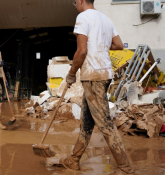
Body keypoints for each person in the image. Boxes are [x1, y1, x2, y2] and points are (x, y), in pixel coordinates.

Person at [63, 0, 134, 174]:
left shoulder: (83, 17)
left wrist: (72, 73)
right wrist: (99, 43)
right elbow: (118, 44)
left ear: (80, 1)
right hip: (105, 74)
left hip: (93, 76)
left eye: (75, 3)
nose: (75, 6)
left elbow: (81, 51)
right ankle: (74, 160)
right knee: (86, 122)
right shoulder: (106, 19)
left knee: (105, 123)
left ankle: (125, 167)